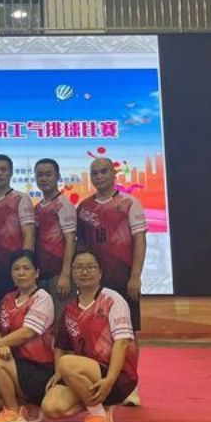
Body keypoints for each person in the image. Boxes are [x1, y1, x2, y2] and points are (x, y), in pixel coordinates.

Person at [40, 250, 138, 422]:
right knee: (51, 408)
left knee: (67, 363)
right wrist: (59, 373)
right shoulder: (70, 308)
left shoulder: (113, 300)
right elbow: (60, 346)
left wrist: (109, 380)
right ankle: (101, 406)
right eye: (78, 267)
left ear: (100, 272)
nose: (84, 272)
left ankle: (99, 416)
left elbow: (122, 343)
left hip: (117, 376)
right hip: (84, 374)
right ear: (72, 272)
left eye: (90, 267)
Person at [76, 157, 146, 406]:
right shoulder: (84, 207)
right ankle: (100, 381)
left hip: (122, 279)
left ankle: (131, 386)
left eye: (104, 171)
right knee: (94, 331)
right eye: (94, 172)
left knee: (127, 333)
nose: (99, 176)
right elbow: (81, 246)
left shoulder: (129, 203)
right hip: (93, 283)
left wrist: (135, 276)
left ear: (114, 174)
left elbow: (140, 241)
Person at [0, 250, 55, 422]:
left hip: (38, 369)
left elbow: (27, 333)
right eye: (16, 269)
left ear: (37, 273)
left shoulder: (42, 298)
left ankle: (12, 411)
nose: (21, 273)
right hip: (14, 364)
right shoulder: (8, 298)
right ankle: (27, 405)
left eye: (26, 268)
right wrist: (2, 346)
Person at [0, 155, 35, 312]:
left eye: (3, 170)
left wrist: (24, 268)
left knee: (20, 313)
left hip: (18, 271)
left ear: (11, 173)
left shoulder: (20, 199)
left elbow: (29, 235)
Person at [34, 158, 77, 323]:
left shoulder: (63, 204)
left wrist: (65, 275)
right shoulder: (38, 207)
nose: (44, 179)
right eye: (39, 175)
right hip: (42, 274)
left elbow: (70, 240)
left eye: (48, 174)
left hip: (59, 274)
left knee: (62, 322)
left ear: (58, 176)